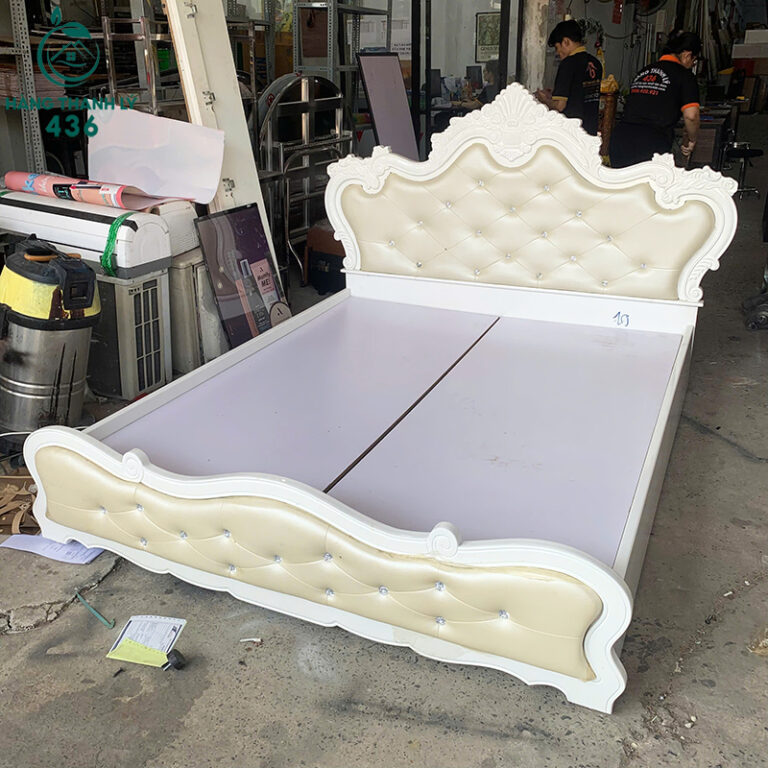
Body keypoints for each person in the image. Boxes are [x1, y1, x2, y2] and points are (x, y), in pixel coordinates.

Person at [609, 31, 701, 168]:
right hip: (651, 145)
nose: (691, 65)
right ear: (687, 55)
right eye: (693, 61)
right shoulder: (684, 76)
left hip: (620, 141)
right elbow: (691, 116)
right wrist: (692, 140)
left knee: (621, 181)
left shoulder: (644, 71)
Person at [536, 20, 602, 136]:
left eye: (557, 47)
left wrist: (544, 100)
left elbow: (560, 106)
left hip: (571, 134)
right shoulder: (596, 63)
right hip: (590, 131)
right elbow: (579, 93)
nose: (558, 53)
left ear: (566, 41)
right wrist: (554, 95)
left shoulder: (568, 64)